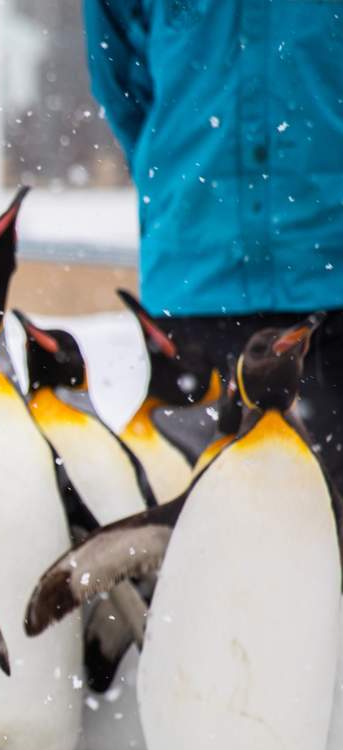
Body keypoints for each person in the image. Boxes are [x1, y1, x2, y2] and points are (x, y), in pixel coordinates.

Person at [84, 0, 343, 485]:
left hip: (329, 278)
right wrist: (172, 171)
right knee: (191, 514)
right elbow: (118, 74)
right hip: (197, 287)